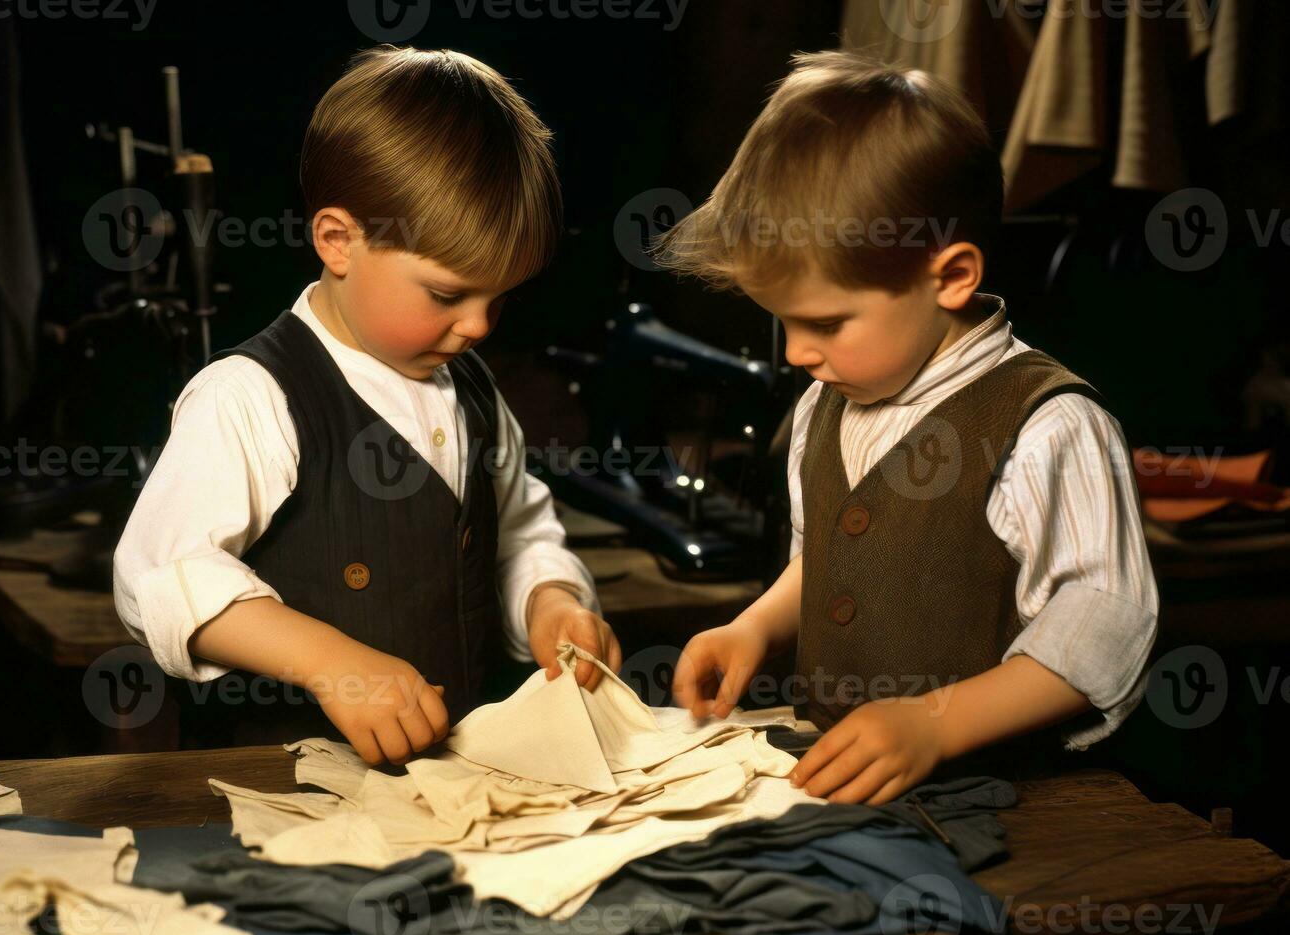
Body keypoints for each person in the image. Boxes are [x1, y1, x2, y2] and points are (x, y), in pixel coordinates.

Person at [659, 51, 1158, 804]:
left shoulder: (1047, 427)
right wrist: (754, 629)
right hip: (833, 787)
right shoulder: (827, 402)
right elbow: (829, 556)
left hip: (1002, 804)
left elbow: (1104, 626)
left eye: (824, 322)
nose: (796, 352)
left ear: (950, 276)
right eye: (782, 324)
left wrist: (934, 722)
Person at [114, 46, 620, 765]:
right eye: (447, 295)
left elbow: (518, 531)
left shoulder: (470, 385)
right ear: (337, 241)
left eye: (498, 299)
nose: (477, 326)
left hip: (454, 779)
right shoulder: (250, 396)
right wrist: (329, 661)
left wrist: (552, 603)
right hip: (288, 785)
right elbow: (156, 578)